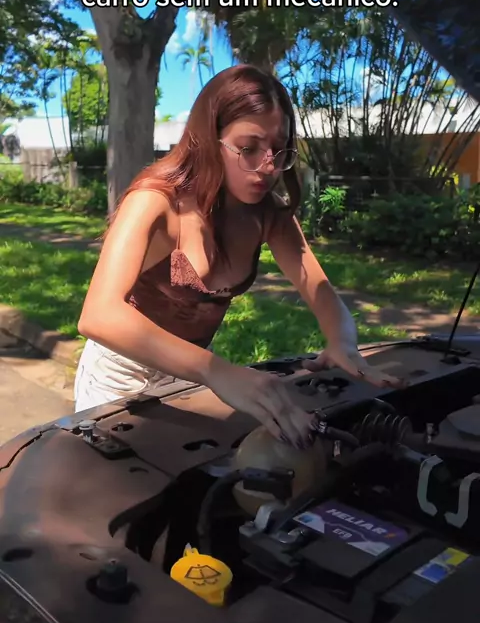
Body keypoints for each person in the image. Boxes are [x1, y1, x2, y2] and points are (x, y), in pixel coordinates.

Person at [74, 64, 400, 448]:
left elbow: (320, 290)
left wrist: (342, 340)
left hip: (191, 374)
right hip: (120, 377)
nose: (268, 166)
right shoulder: (155, 200)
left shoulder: (268, 213)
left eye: (279, 150)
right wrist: (217, 371)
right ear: (209, 139)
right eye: (249, 148)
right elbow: (99, 315)